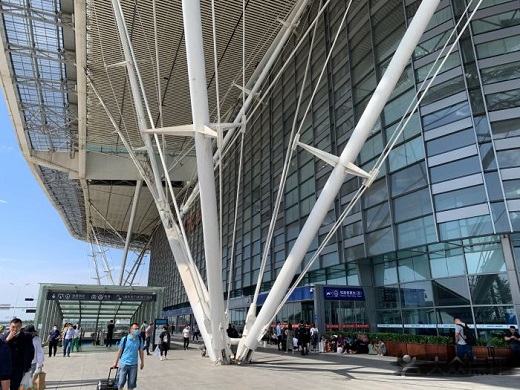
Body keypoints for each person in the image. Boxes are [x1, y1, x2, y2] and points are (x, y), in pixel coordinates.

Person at [1, 318, 34, 390]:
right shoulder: (4, 337)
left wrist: (28, 365)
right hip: (5, 367)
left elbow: (30, 351)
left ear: (21, 327)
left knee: (15, 385)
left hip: (19, 366)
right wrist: (7, 339)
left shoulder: (26, 336)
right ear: (9, 327)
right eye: (13, 327)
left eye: (18, 327)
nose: (15, 329)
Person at [112, 323, 144, 390]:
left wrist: (142, 362)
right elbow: (119, 351)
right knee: (120, 383)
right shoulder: (125, 339)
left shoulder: (140, 339)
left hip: (134, 365)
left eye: (138, 329)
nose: (137, 330)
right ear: (131, 330)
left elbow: (141, 351)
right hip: (124, 364)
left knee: (131, 384)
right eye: (135, 329)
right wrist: (116, 362)